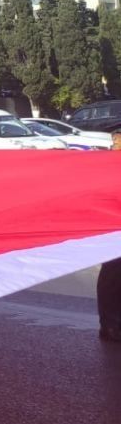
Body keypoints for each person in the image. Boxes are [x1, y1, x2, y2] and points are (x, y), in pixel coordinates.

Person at [97, 130, 121, 344]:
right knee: (114, 273)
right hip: (113, 229)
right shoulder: (108, 165)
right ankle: (110, 324)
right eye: (116, 141)